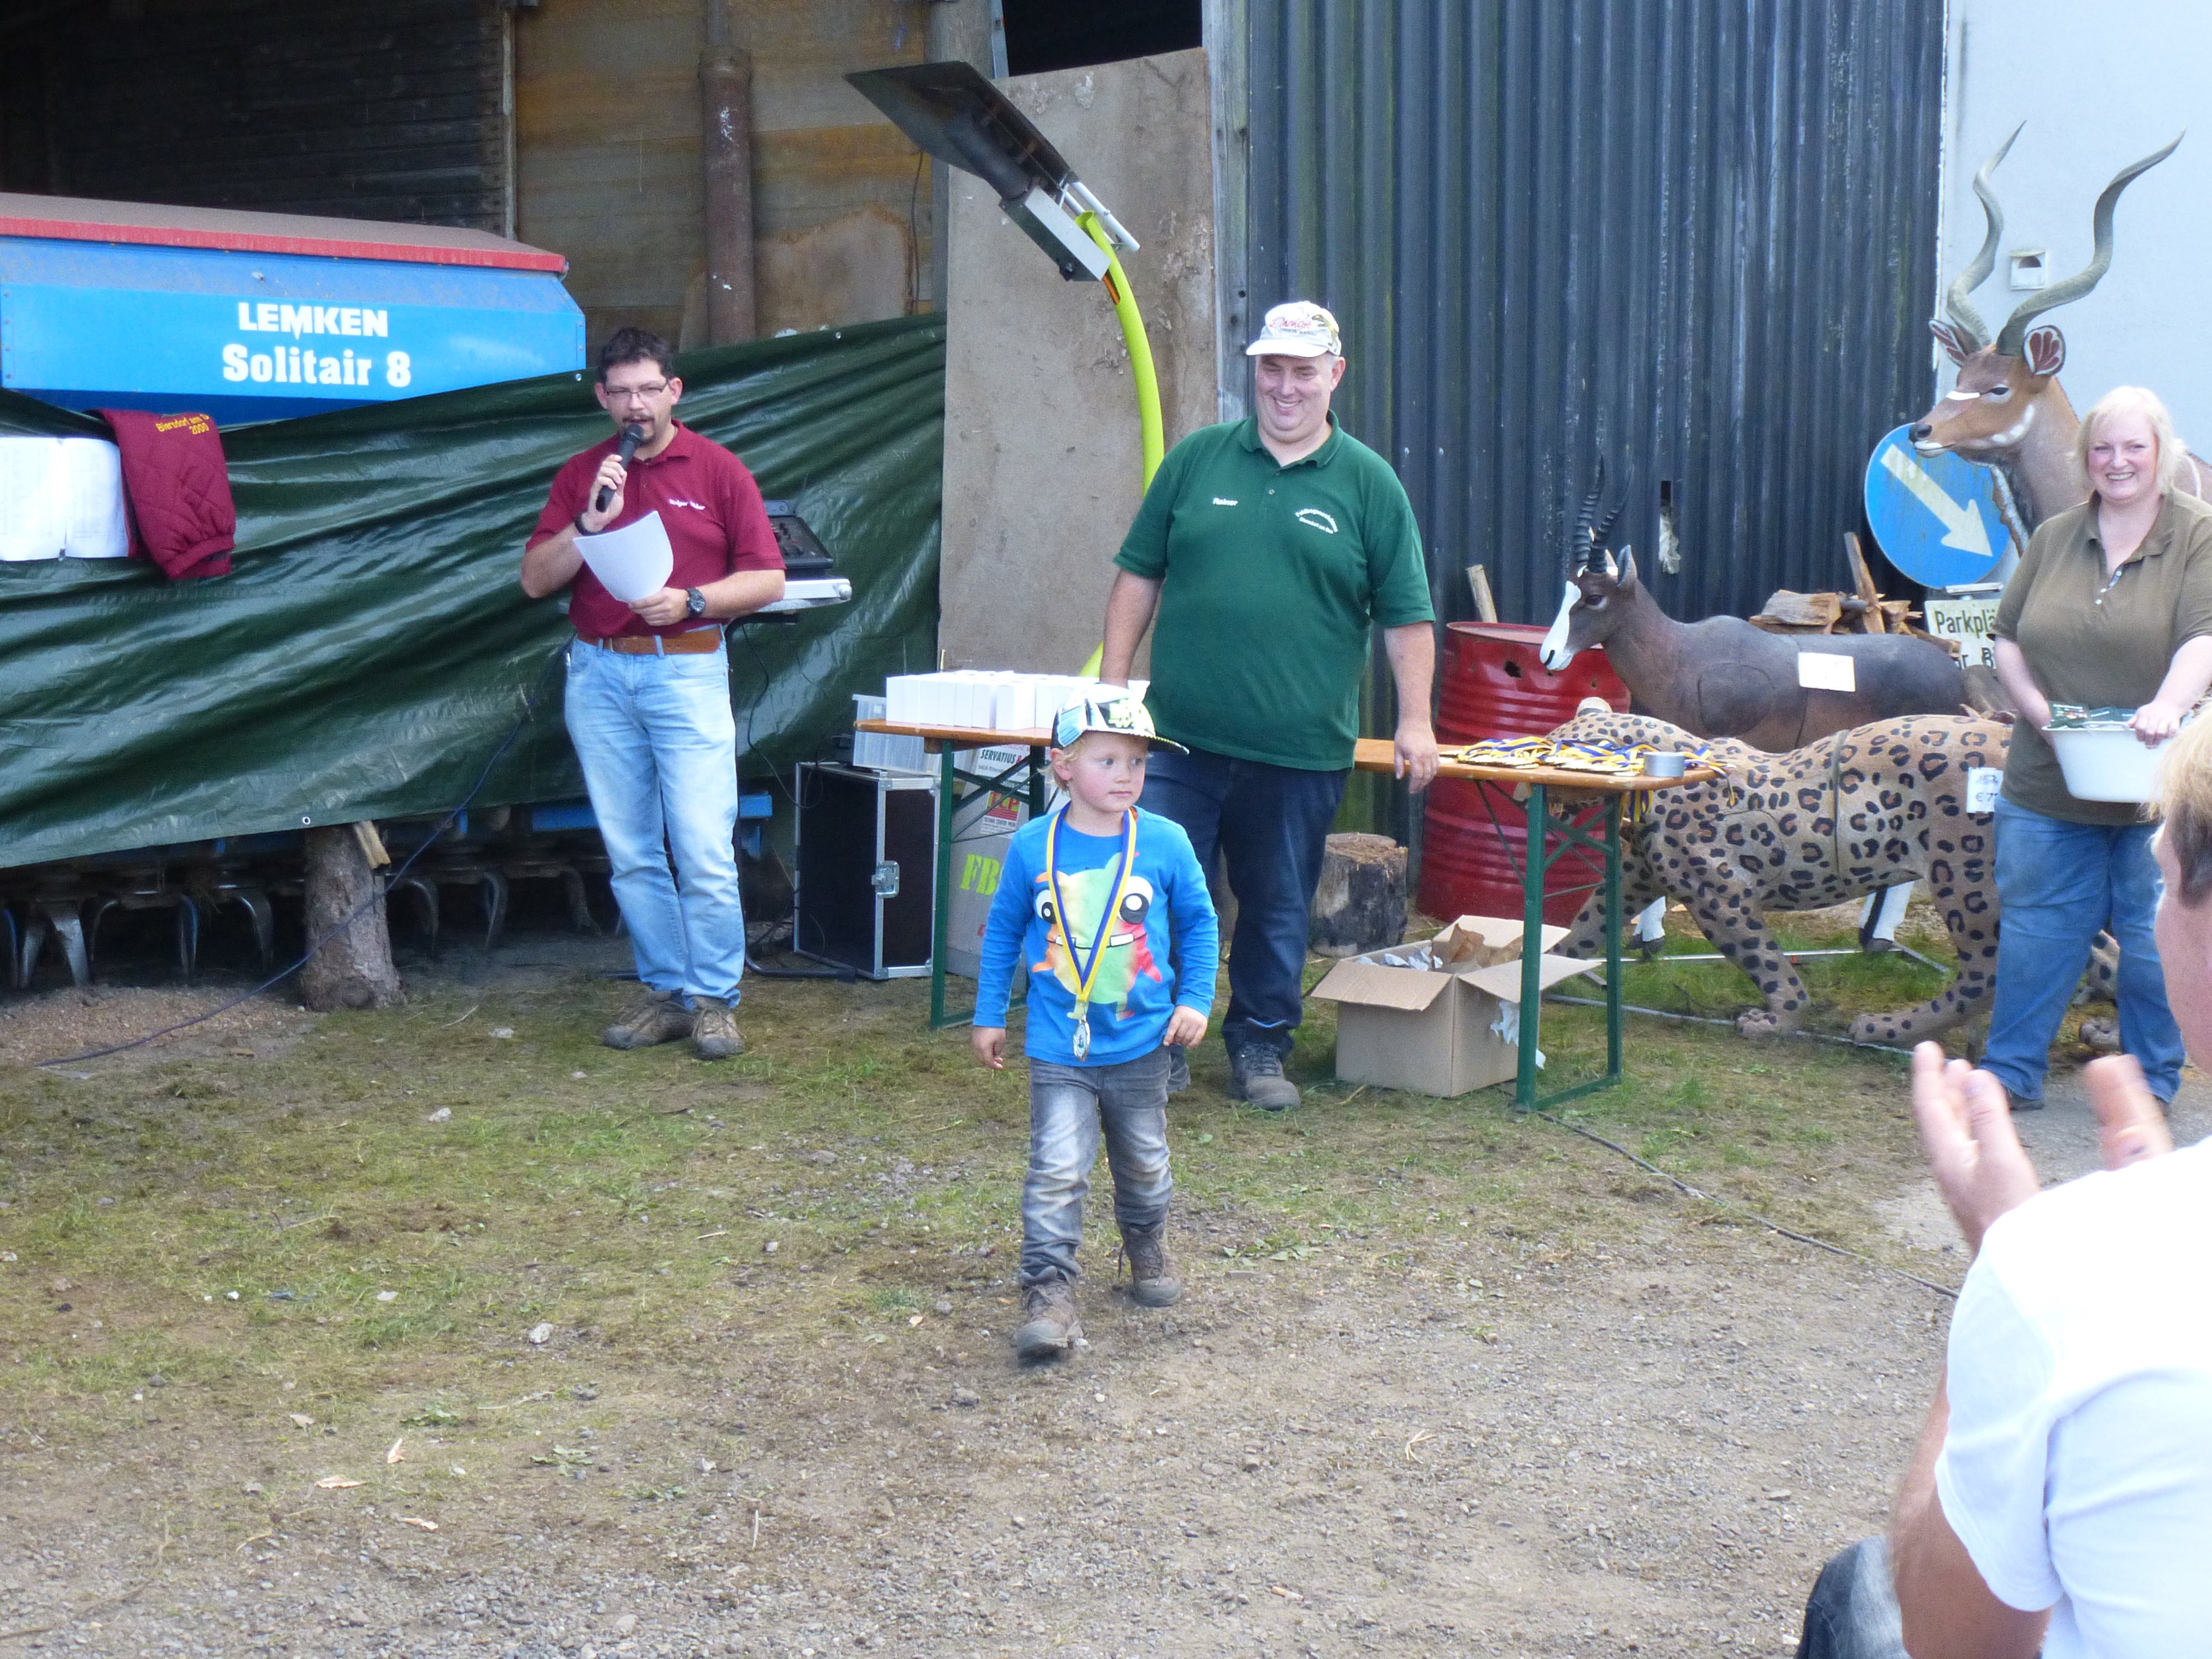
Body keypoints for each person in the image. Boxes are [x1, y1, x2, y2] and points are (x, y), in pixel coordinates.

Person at [1792, 711, 2212, 1658]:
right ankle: (2012, 1060)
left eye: (2163, 883)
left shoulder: (2061, 1270)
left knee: (1859, 1588)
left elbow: (1954, 1644)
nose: (2151, 913)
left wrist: (2009, 1277)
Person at [1099, 300, 1438, 1111]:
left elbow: (1406, 616)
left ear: (1335, 375)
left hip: (1299, 748)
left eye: (1303, 371)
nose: (1285, 387)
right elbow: (1140, 574)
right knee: (1151, 891)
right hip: (1178, 740)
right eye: (1272, 369)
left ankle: (1259, 1046)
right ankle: (1152, 1044)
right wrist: (1111, 696)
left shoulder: (1369, 485)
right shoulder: (1197, 461)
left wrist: (1415, 719)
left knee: (1277, 904)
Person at [520, 327, 786, 1060]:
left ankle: (715, 1001)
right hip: (600, 672)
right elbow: (536, 580)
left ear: (674, 391)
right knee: (631, 850)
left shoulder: (718, 469)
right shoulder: (584, 475)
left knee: (701, 846)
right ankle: (667, 994)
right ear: (602, 398)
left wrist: (694, 600)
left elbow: (768, 578)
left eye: (648, 390)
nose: (635, 406)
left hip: (686, 666)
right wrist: (589, 524)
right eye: (621, 393)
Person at [972, 690, 1220, 1361]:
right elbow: (1002, 933)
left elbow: (1200, 924)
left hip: (1143, 1043)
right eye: (1107, 760)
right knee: (1056, 1168)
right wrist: (990, 1014)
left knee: (1144, 1164)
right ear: (1063, 767)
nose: (1125, 775)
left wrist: (1195, 999)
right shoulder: (1032, 846)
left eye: (1136, 762)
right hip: (1060, 1046)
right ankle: (1048, 1293)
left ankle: (1145, 1242)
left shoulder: (1164, 841)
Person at [1984, 384, 2212, 1109]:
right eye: (2103, 449)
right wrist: (2039, 714)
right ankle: (2010, 1074)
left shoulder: (2198, 534)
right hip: (2046, 782)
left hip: (2160, 787)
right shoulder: (2055, 536)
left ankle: (2151, 1083)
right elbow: (2007, 639)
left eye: (2134, 447)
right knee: (2036, 934)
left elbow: (2204, 637)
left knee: (2153, 942)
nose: (2118, 462)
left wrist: (2168, 706)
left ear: (2161, 453)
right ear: (2085, 457)